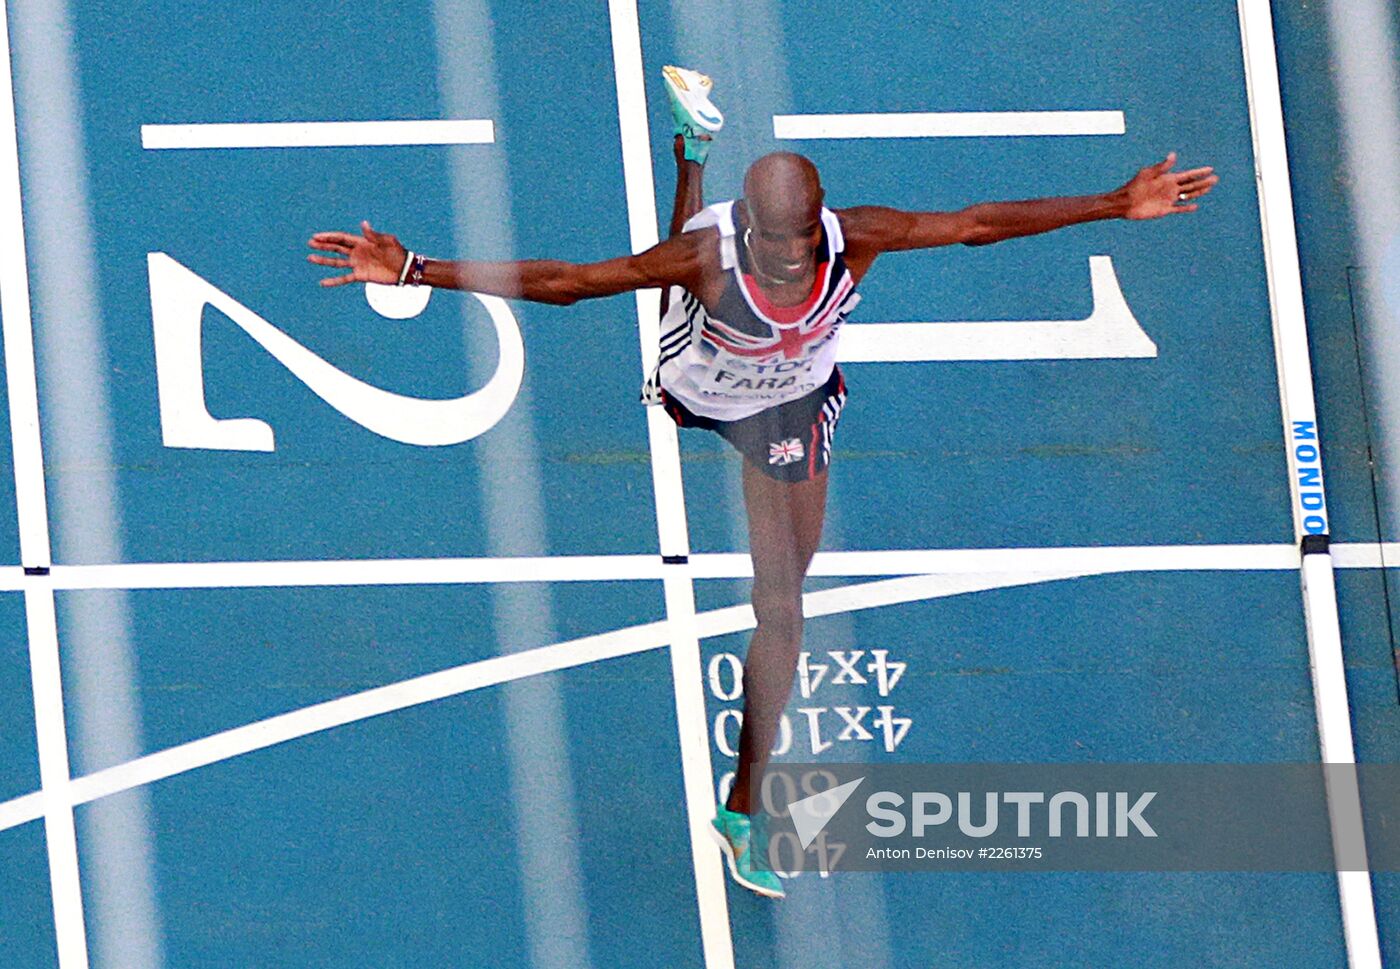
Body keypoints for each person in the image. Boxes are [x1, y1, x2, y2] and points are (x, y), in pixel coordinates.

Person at [307, 66, 1218, 900]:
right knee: (667, 269)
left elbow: (978, 224)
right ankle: (692, 154)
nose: (790, 255)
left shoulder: (858, 237)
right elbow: (571, 281)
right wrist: (417, 269)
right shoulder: (710, 255)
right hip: (700, 381)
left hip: (789, 408)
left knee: (782, 609)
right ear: (746, 228)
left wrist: (1116, 202)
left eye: (801, 239)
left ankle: (742, 811)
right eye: (773, 240)